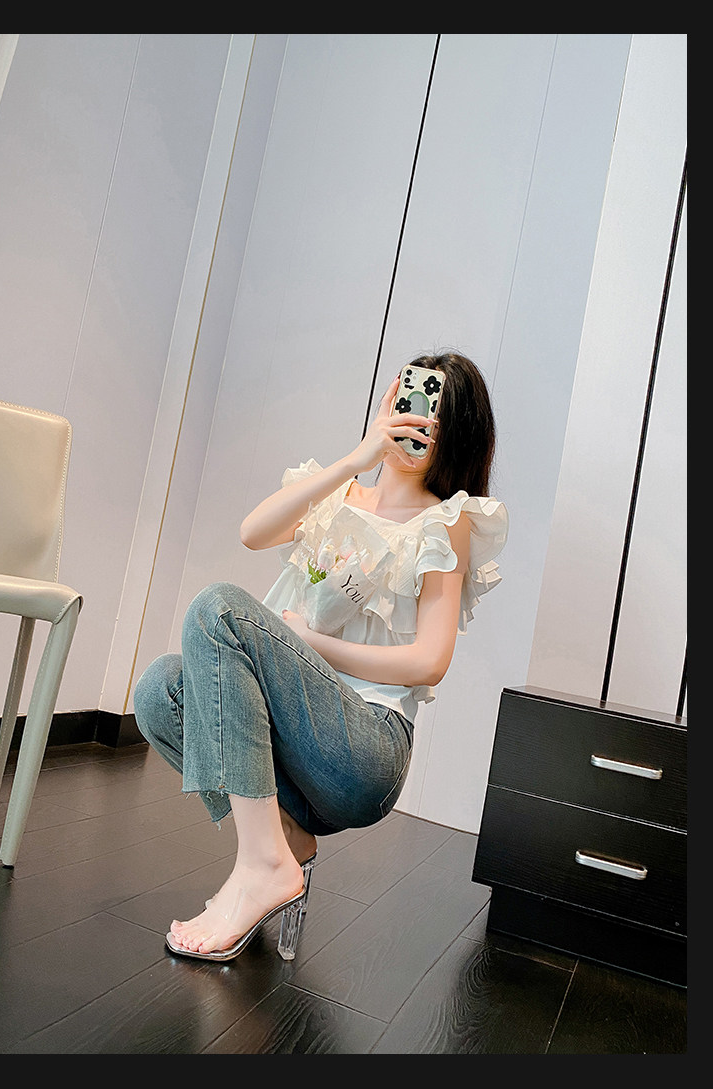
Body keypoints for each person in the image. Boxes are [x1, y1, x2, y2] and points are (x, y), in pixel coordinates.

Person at [133, 351, 508, 962]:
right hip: (288, 747)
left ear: (457, 437)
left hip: (363, 751)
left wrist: (313, 643)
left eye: (437, 419)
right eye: (411, 404)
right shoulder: (337, 493)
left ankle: (260, 868)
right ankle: (282, 843)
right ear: (389, 403)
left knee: (219, 608)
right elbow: (253, 532)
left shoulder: (446, 523)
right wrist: (357, 459)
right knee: (159, 690)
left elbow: (429, 662)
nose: (418, 425)